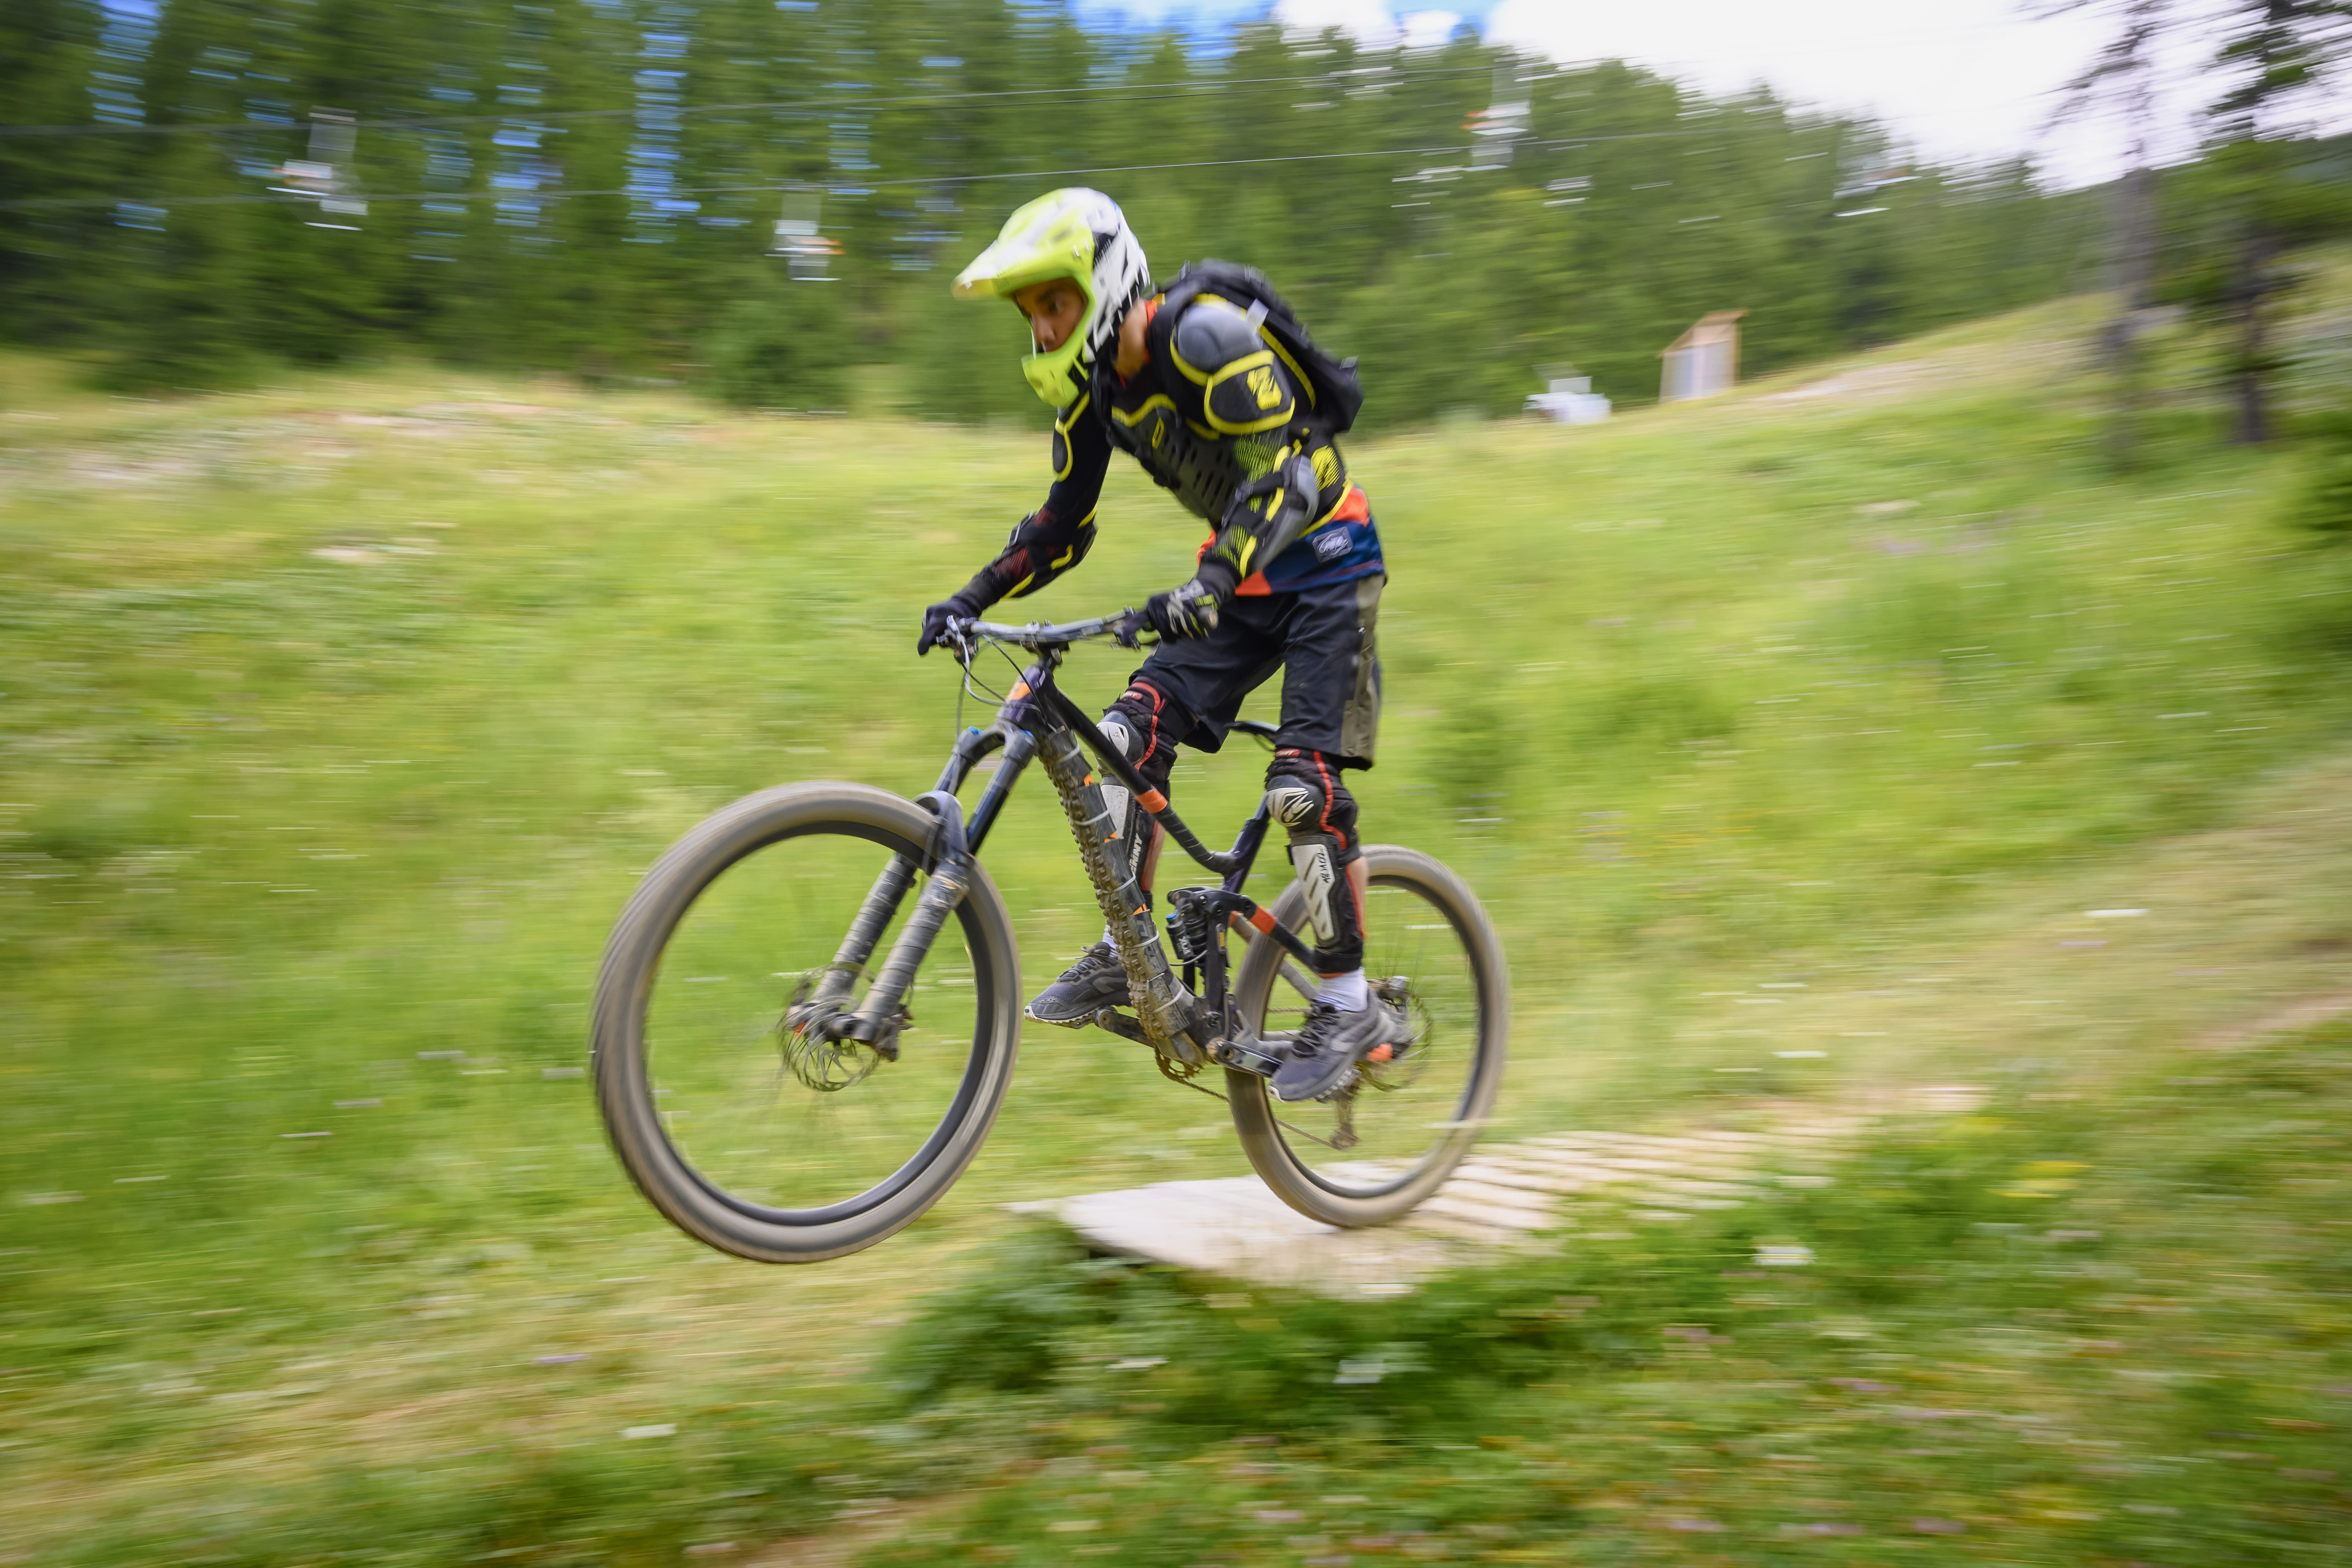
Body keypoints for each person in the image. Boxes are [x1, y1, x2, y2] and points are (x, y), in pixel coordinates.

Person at [918, 188, 1391, 1104]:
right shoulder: (1099, 388)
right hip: (1242, 584)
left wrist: (1210, 582)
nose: (1046, 330)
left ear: (1105, 282)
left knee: (1301, 793)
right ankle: (1125, 954)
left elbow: (1290, 473)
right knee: (1124, 738)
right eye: (1033, 316)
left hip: (1331, 566)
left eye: (1056, 305)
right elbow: (1062, 523)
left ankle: (1349, 1002)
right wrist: (970, 596)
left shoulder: (1205, 337)